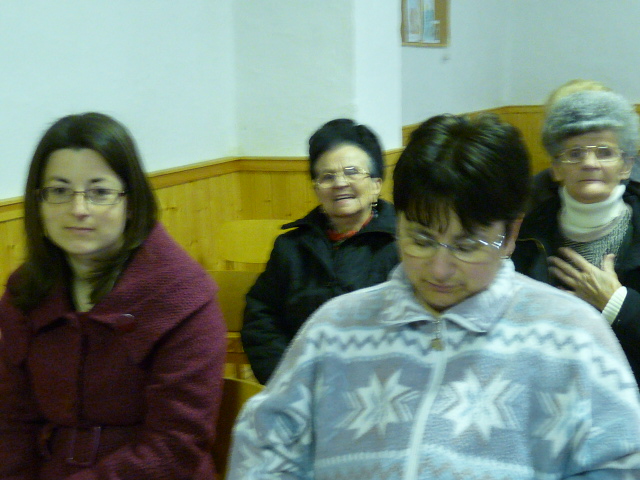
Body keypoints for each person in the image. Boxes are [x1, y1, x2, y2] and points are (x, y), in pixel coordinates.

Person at [227, 114, 640, 479]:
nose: (439, 270)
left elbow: (622, 462)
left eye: (466, 246)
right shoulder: (335, 327)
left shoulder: (571, 337)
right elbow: (266, 443)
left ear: (510, 235)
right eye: (420, 240)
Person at [0, 113, 227, 479]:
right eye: (59, 191)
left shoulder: (182, 297)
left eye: (100, 192)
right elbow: (12, 420)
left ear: (131, 203)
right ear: (38, 203)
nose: (78, 209)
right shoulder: (25, 292)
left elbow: (176, 445)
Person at [241, 118, 398, 384]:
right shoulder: (291, 247)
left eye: (351, 172)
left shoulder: (402, 244)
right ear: (316, 188)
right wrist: (287, 378)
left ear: (376, 184)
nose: (340, 183)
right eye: (327, 177)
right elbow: (261, 318)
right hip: (300, 385)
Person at [513, 90, 640, 384]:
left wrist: (617, 304)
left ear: (626, 165)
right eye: (575, 153)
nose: (589, 163)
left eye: (605, 152)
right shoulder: (526, 234)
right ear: (556, 169)